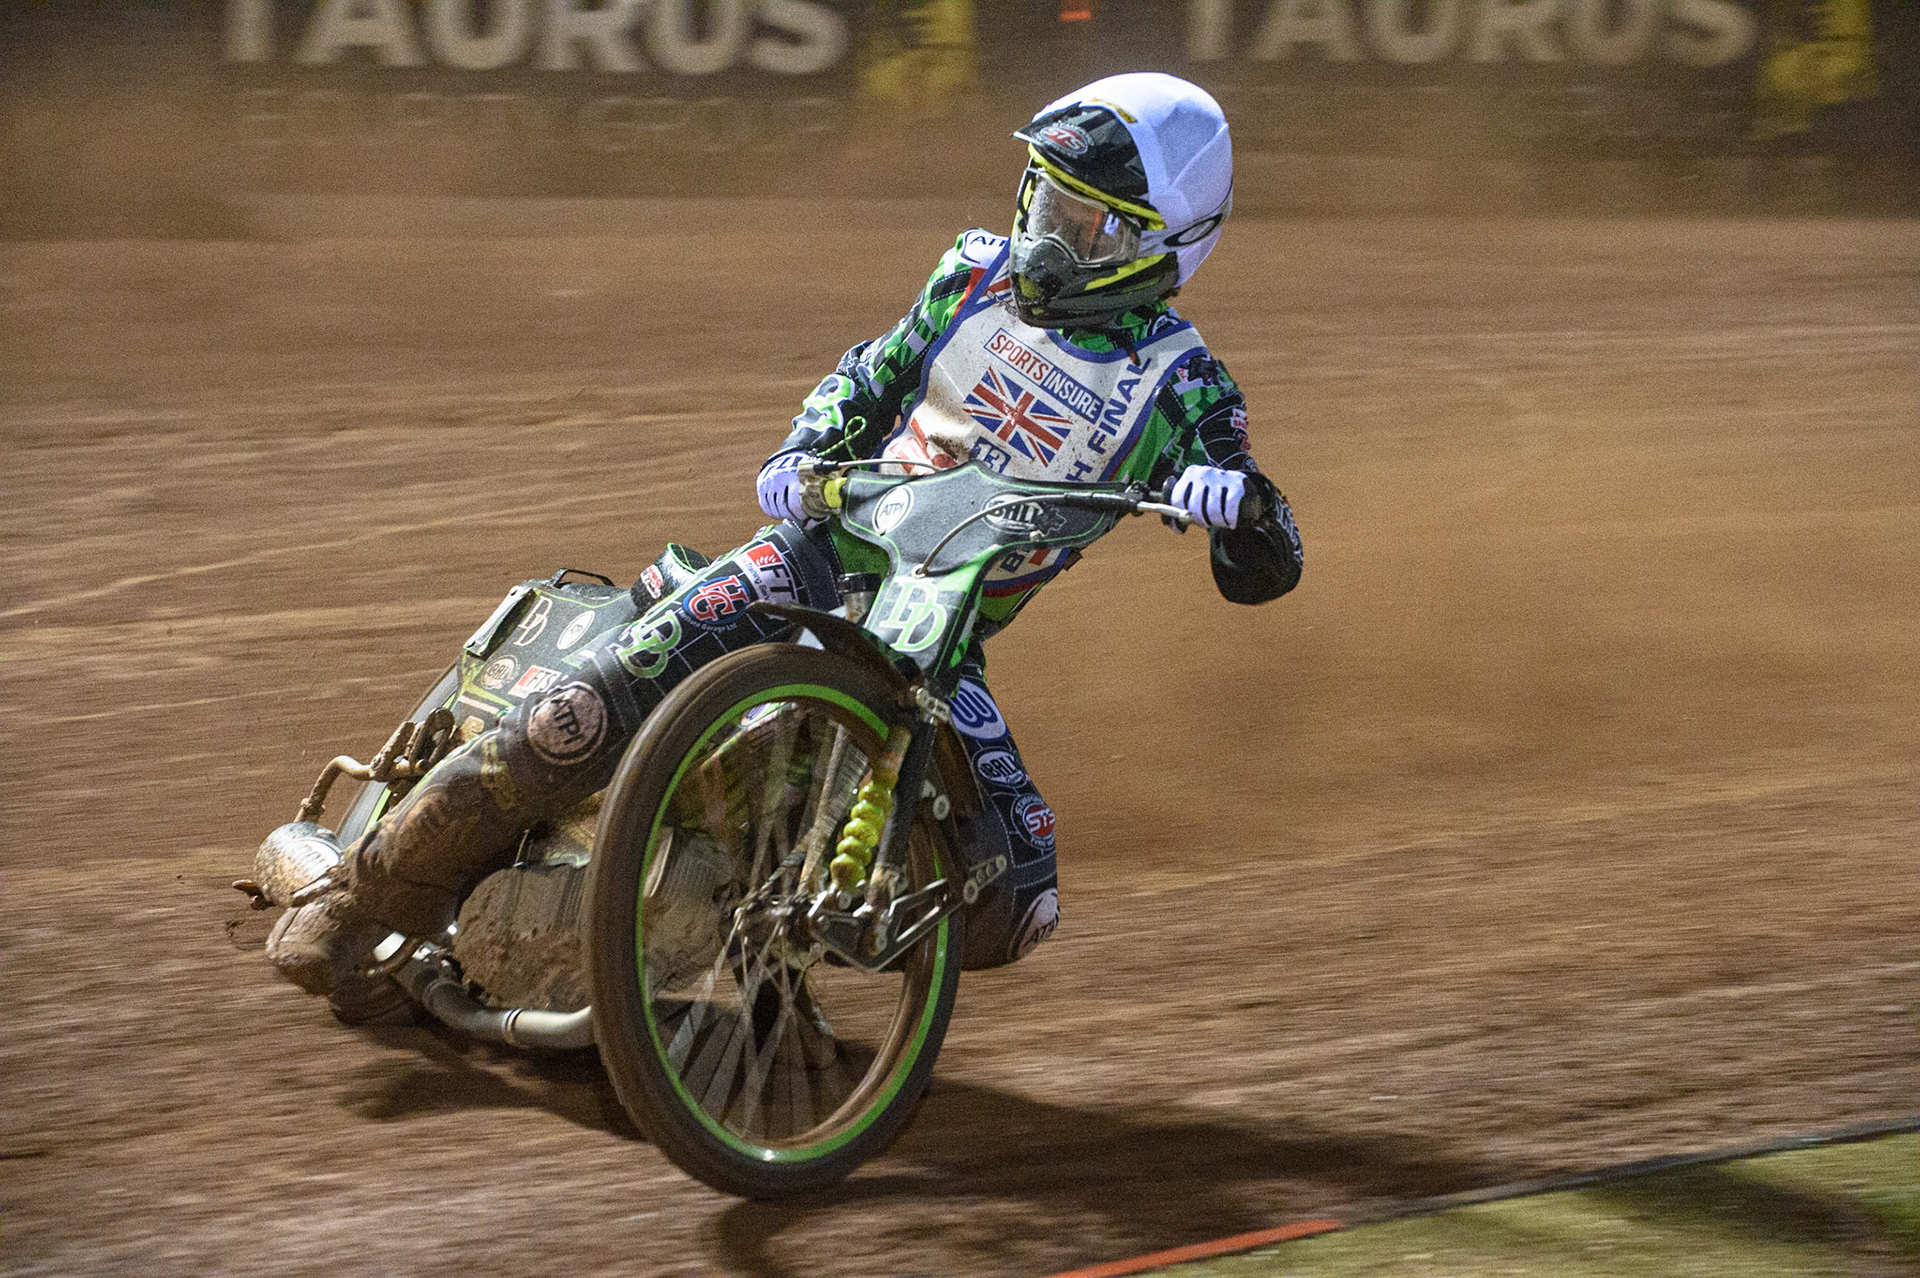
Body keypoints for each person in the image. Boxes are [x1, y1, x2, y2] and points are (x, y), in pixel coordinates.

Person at [267, 71, 1303, 1004]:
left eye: (1086, 227)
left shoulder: (1182, 383)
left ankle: (771, 982)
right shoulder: (976, 274)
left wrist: (1238, 509)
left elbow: (1269, 558)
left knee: (1014, 893)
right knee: (577, 717)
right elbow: (873, 371)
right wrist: (806, 446)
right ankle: (359, 902)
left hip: (937, 633)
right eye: (1044, 200)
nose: (1045, 240)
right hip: (816, 555)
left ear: (1163, 248)